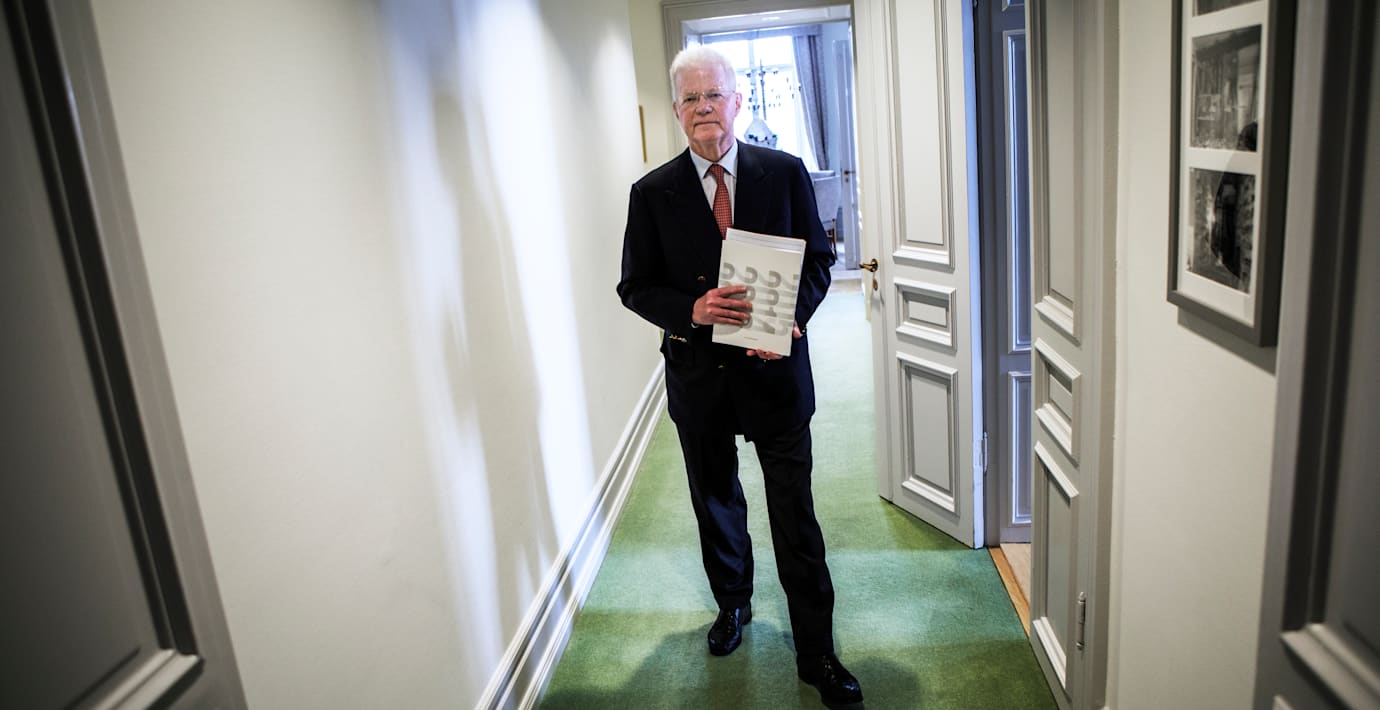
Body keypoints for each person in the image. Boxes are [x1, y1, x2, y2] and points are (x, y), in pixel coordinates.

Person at [616, 45, 862, 706]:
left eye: (714, 95)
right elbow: (634, 286)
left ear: (738, 101)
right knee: (715, 502)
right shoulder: (652, 193)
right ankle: (733, 604)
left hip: (775, 377)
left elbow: (818, 260)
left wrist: (792, 318)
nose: (704, 108)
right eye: (691, 98)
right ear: (676, 110)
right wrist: (691, 310)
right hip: (699, 379)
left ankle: (816, 651)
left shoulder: (783, 173)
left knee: (795, 514)